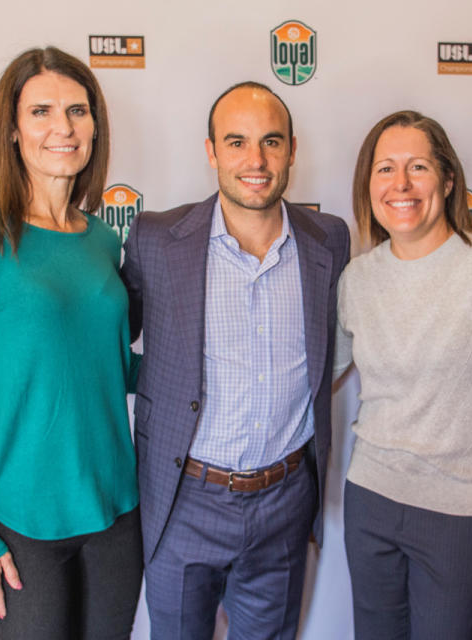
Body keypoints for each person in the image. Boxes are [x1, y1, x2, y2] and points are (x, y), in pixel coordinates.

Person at [0, 47, 141, 640]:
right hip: (20, 522)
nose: (62, 128)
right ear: (13, 130)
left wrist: (210, 368)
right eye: (41, 111)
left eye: (77, 110)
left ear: (95, 126)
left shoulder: (103, 239)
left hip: (116, 510)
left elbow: (113, 366)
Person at [121, 82, 350, 639]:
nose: (255, 160)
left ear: (293, 150)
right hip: (183, 501)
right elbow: (102, 340)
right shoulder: (154, 238)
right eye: (237, 142)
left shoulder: (330, 240)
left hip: (285, 502)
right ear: (211, 151)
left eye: (271, 142)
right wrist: (4, 376)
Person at [335, 110, 472, 640]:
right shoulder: (357, 278)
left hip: (463, 520)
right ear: (368, 186)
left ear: (449, 179)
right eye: (385, 169)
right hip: (370, 504)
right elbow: (317, 372)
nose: (401, 185)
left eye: (418, 167)